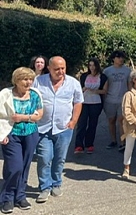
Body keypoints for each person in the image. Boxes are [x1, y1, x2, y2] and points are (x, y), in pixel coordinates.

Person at [32, 56, 84, 203]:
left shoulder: (73, 83)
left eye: (63, 68)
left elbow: (78, 102)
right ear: (49, 68)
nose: (61, 71)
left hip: (63, 128)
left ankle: (56, 183)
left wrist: (73, 121)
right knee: (44, 158)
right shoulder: (39, 81)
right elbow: (31, 100)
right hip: (43, 127)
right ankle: (44, 187)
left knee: (59, 159)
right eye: (57, 69)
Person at [0, 68, 43, 213]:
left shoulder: (35, 94)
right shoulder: (5, 94)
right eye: (25, 79)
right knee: (14, 167)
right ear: (16, 80)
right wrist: (1, 134)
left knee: (25, 166)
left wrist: (23, 118)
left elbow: (39, 115)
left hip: (30, 134)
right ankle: (7, 198)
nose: (28, 82)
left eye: (30, 79)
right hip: (11, 134)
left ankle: (20, 196)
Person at [75, 58, 108, 154]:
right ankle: (78, 145)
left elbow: (105, 91)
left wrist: (95, 91)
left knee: (92, 124)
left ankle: (89, 144)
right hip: (84, 102)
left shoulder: (103, 77)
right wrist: (84, 89)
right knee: (82, 123)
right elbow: (79, 89)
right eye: (90, 65)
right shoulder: (84, 76)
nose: (92, 67)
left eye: (94, 65)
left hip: (96, 103)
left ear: (97, 66)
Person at [103, 50, 131, 151]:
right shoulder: (107, 71)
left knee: (122, 121)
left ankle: (122, 142)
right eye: (119, 57)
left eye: (122, 57)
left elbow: (130, 86)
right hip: (110, 100)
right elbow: (104, 87)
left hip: (123, 100)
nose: (121, 59)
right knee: (111, 120)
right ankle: (113, 140)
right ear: (113, 59)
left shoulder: (127, 71)